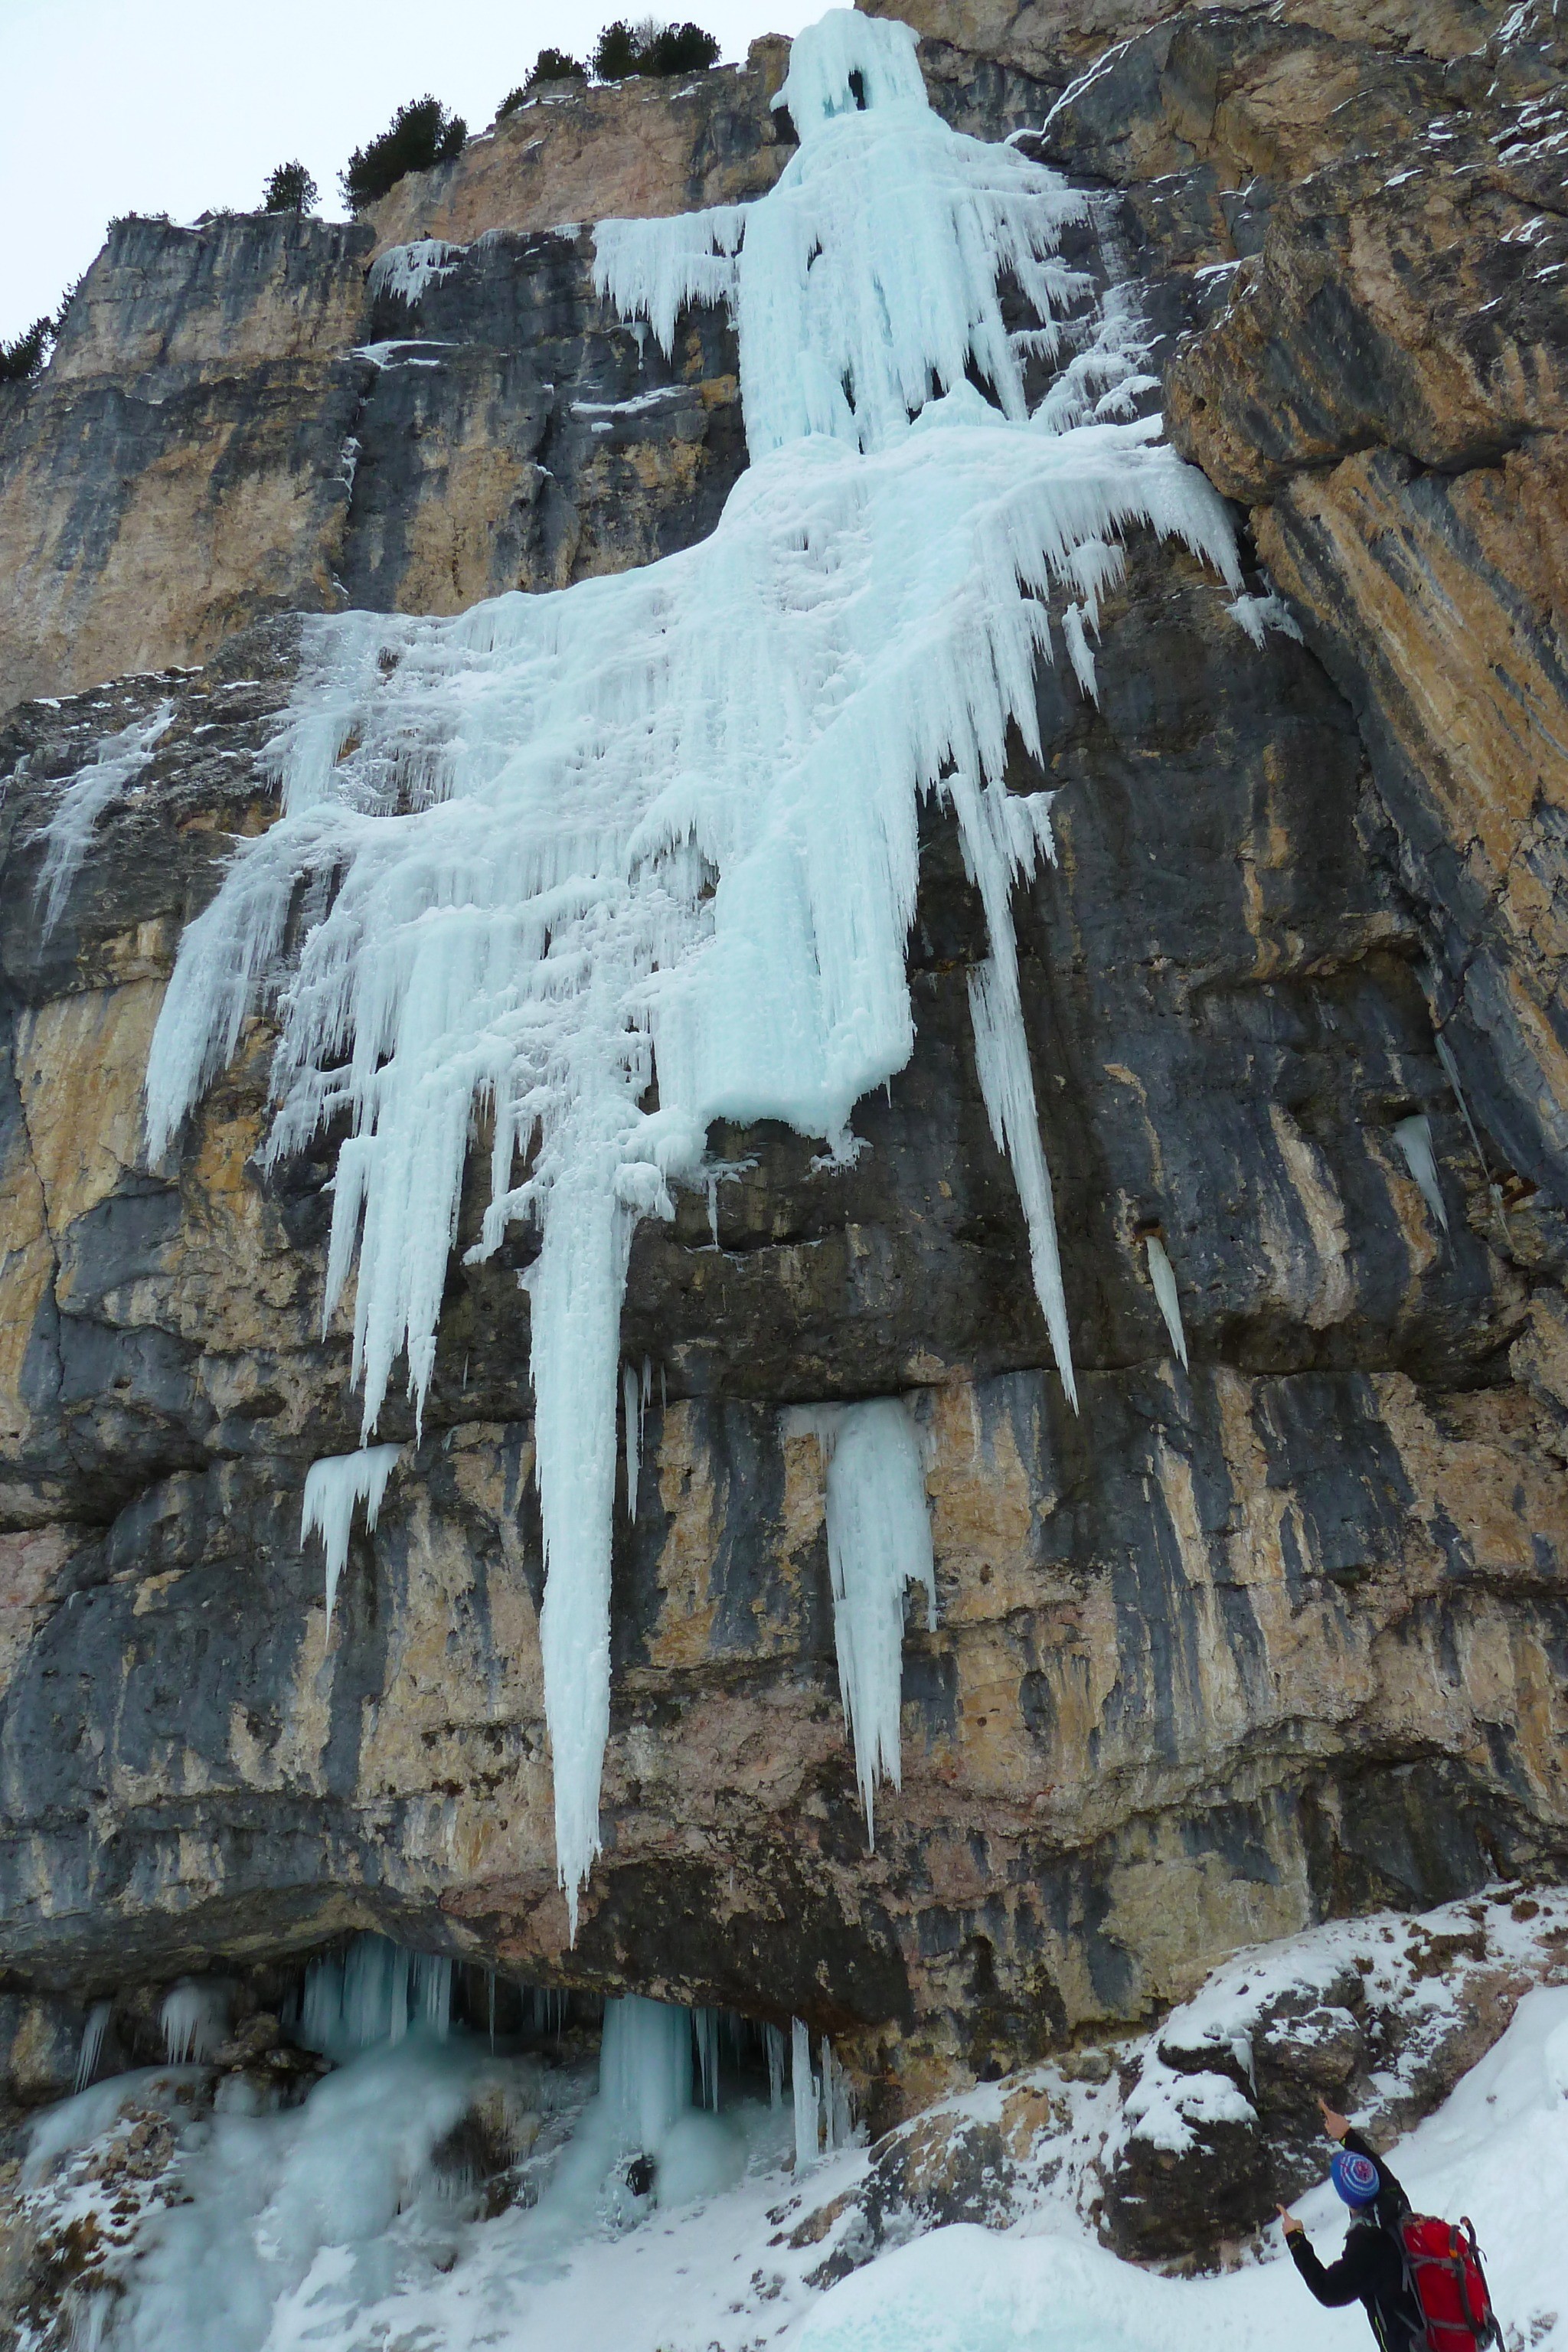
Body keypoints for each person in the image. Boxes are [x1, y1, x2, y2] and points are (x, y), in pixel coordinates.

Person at [1278, 2096, 1426, 2352]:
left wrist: (1296, 2240)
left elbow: (1327, 2290)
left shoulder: (1368, 2247)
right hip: (1433, 2329)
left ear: (1344, 2195)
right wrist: (1346, 2134)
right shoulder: (1395, 2200)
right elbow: (1374, 2165)